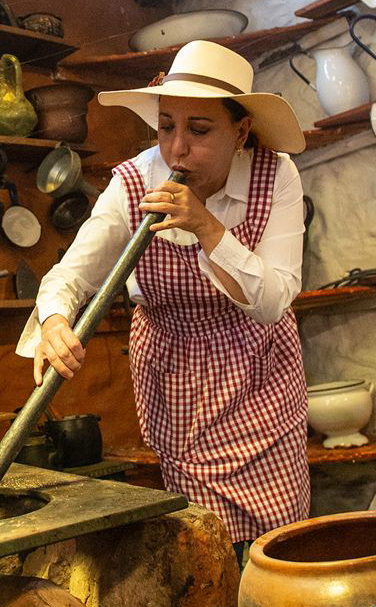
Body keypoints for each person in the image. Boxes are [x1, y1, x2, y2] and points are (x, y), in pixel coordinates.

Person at [18, 40, 310, 556]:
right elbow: (71, 275)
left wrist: (207, 227)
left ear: (240, 131)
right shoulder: (133, 183)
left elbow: (274, 301)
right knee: (203, 542)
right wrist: (56, 321)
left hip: (259, 374)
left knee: (277, 543)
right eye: (166, 126)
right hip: (175, 377)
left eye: (199, 131)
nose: (177, 149)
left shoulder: (274, 174)